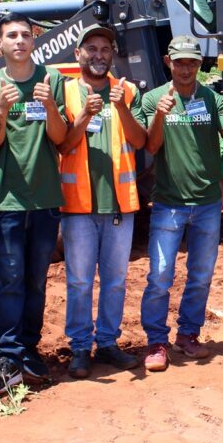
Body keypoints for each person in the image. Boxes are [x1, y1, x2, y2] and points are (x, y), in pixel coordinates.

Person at [0, 12, 67, 396]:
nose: (19, 41)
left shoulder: (52, 80)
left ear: (34, 40)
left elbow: (61, 139)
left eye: (25, 35)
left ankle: (29, 350)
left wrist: (49, 107)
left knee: (36, 280)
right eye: (11, 35)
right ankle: (7, 355)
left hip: (45, 199)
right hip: (5, 200)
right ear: (0, 43)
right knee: (8, 279)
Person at [138, 36, 223, 372]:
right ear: (169, 62)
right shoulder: (154, 98)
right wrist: (159, 115)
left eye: (192, 63)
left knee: (200, 274)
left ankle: (188, 334)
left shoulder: (211, 98)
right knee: (160, 274)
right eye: (180, 62)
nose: (186, 68)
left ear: (200, 65)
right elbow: (151, 148)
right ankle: (156, 341)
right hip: (168, 203)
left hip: (207, 204)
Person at [57, 24, 147, 378]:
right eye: (90, 48)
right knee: (79, 281)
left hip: (119, 206)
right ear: (77, 54)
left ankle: (107, 342)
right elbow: (63, 145)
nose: (98, 55)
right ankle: (80, 347)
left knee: (115, 280)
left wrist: (120, 107)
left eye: (105, 49)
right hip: (78, 206)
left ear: (112, 55)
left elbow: (139, 141)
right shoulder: (64, 93)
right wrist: (85, 116)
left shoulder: (125, 92)